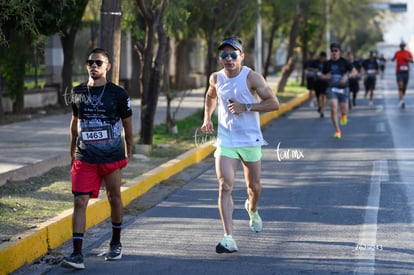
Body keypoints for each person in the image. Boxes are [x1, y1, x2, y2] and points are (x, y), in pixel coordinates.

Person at [201, 36, 279, 253]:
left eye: (233, 54)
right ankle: (228, 238)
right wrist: (207, 118)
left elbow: (274, 103)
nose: (228, 58)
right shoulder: (216, 78)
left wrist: (247, 106)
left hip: (250, 141)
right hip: (226, 140)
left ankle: (252, 210)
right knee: (225, 186)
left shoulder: (252, 77)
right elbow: (210, 96)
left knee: (253, 187)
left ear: (241, 57)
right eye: (224, 55)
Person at [61, 48, 133, 269]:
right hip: (85, 157)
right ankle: (77, 254)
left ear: (107, 67)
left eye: (98, 63)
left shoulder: (119, 94)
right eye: (90, 62)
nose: (94, 66)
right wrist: (72, 150)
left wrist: (129, 149)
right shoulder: (77, 92)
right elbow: (75, 124)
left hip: (111, 156)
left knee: (114, 197)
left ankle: (116, 242)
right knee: (80, 201)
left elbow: (128, 126)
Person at [322, 42, 357, 139]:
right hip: (332, 88)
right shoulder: (327, 64)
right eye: (332, 51)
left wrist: (347, 77)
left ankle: (343, 115)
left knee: (344, 109)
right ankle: (337, 130)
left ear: (339, 52)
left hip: (343, 88)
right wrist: (326, 77)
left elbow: (354, 71)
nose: (334, 52)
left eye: (336, 51)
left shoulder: (344, 62)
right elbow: (322, 75)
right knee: (333, 108)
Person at [392, 41, 413, 108]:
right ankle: (401, 101)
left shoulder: (408, 53)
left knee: (404, 87)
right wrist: (392, 59)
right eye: (401, 46)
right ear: (400, 46)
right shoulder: (397, 53)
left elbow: (412, 61)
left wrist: (408, 59)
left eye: (403, 46)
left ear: (405, 46)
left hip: (406, 72)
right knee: (400, 86)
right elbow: (393, 59)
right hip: (399, 72)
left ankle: (401, 95)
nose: (402, 47)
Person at [314, 51, 329, 118]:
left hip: (325, 82)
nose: (323, 59)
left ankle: (322, 110)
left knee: (323, 96)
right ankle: (319, 105)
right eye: (321, 57)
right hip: (317, 81)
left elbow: (330, 72)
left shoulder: (328, 63)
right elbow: (309, 69)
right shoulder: (316, 62)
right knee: (317, 96)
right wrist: (315, 70)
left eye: (324, 57)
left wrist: (325, 76)